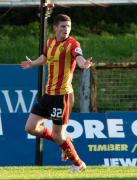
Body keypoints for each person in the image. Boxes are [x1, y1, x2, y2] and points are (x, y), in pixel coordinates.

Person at [20, 14, 92, 172]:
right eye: (63, 26)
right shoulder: (50, 41)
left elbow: (79, 57)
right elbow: (45, 58)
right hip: (48, 94)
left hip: (62, 96)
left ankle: (78, 164)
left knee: (58, 135)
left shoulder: (73, 43)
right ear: (55, 28)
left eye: (68, 26)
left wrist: (83, 64)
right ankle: (63, 141)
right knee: (30, 127)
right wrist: (33, 63)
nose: (66, 29)